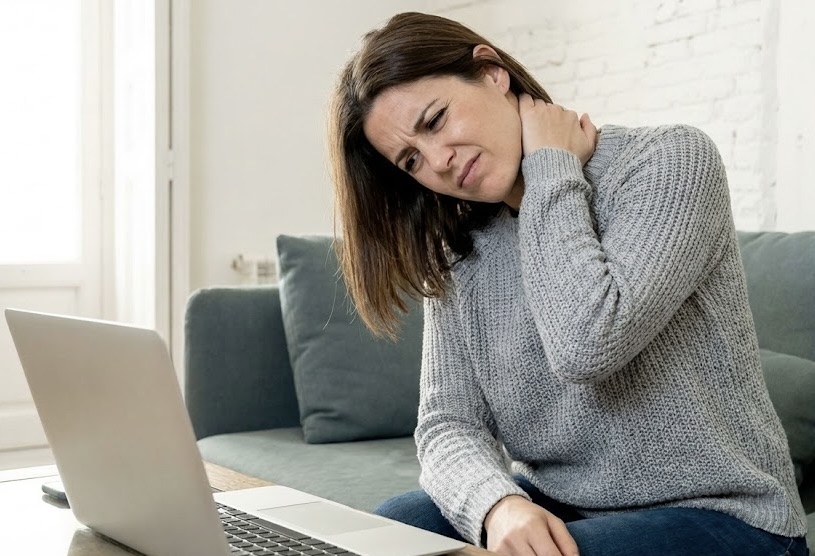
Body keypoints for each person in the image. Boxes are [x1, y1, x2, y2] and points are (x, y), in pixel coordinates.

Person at [327, 11, 808, 556]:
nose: (439, 161)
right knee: (396, 527)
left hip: (725, 514)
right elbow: (445, 426)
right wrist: (497, 505)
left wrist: (551, 168)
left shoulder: (668, 162)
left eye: (435, 120)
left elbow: (588, 343)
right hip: (570, 503)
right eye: (411, 159)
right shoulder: (461, 249)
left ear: (491, 72)